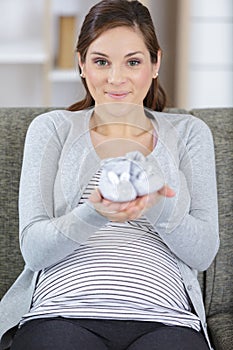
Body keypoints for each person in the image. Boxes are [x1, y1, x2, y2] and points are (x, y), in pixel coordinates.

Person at [0, 1, 219, 349]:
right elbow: (35, 251)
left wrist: (157, 204)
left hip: (165, 319)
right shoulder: (52, 130)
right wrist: (94, 213)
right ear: (82, 65)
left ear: (155, 63)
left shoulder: (190, 133)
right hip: (62, 313)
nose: (116, 79)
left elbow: (204, 252)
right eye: (101, 61)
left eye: (133, 62)